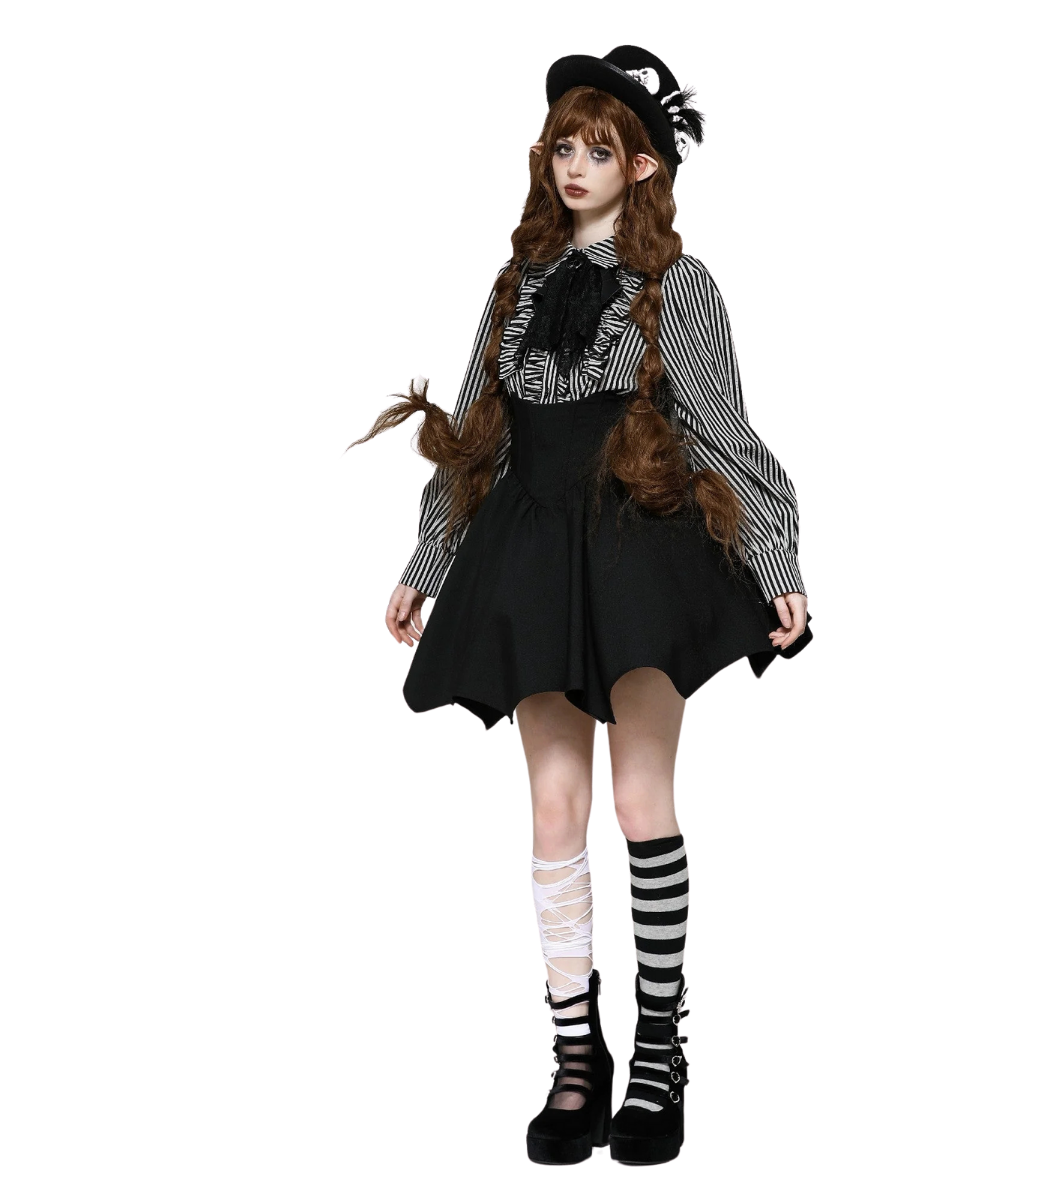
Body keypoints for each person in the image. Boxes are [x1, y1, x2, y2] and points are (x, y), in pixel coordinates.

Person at [352, 44, 814, 1166]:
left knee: (640, 799)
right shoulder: (514, 287)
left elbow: (719, 425)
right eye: (563, 143)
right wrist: (427, 559)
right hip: (529, 551)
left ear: (642, 166)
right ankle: (576, 1056)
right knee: (554, 808)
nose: (573, 165)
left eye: (598, 149)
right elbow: (476, 435)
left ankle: (658, 1053)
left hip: (638, 547)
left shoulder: (676, 286)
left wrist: (777, 554)